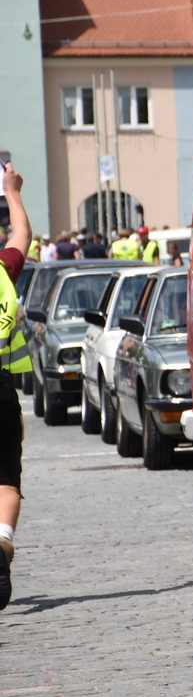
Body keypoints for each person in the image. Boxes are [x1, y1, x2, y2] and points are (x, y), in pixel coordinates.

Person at [0, 163, 33, 608]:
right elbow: (21, 233)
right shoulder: (3, 273)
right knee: (6, 479)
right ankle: (3, 545)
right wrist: (12, 191)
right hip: (0, 393)